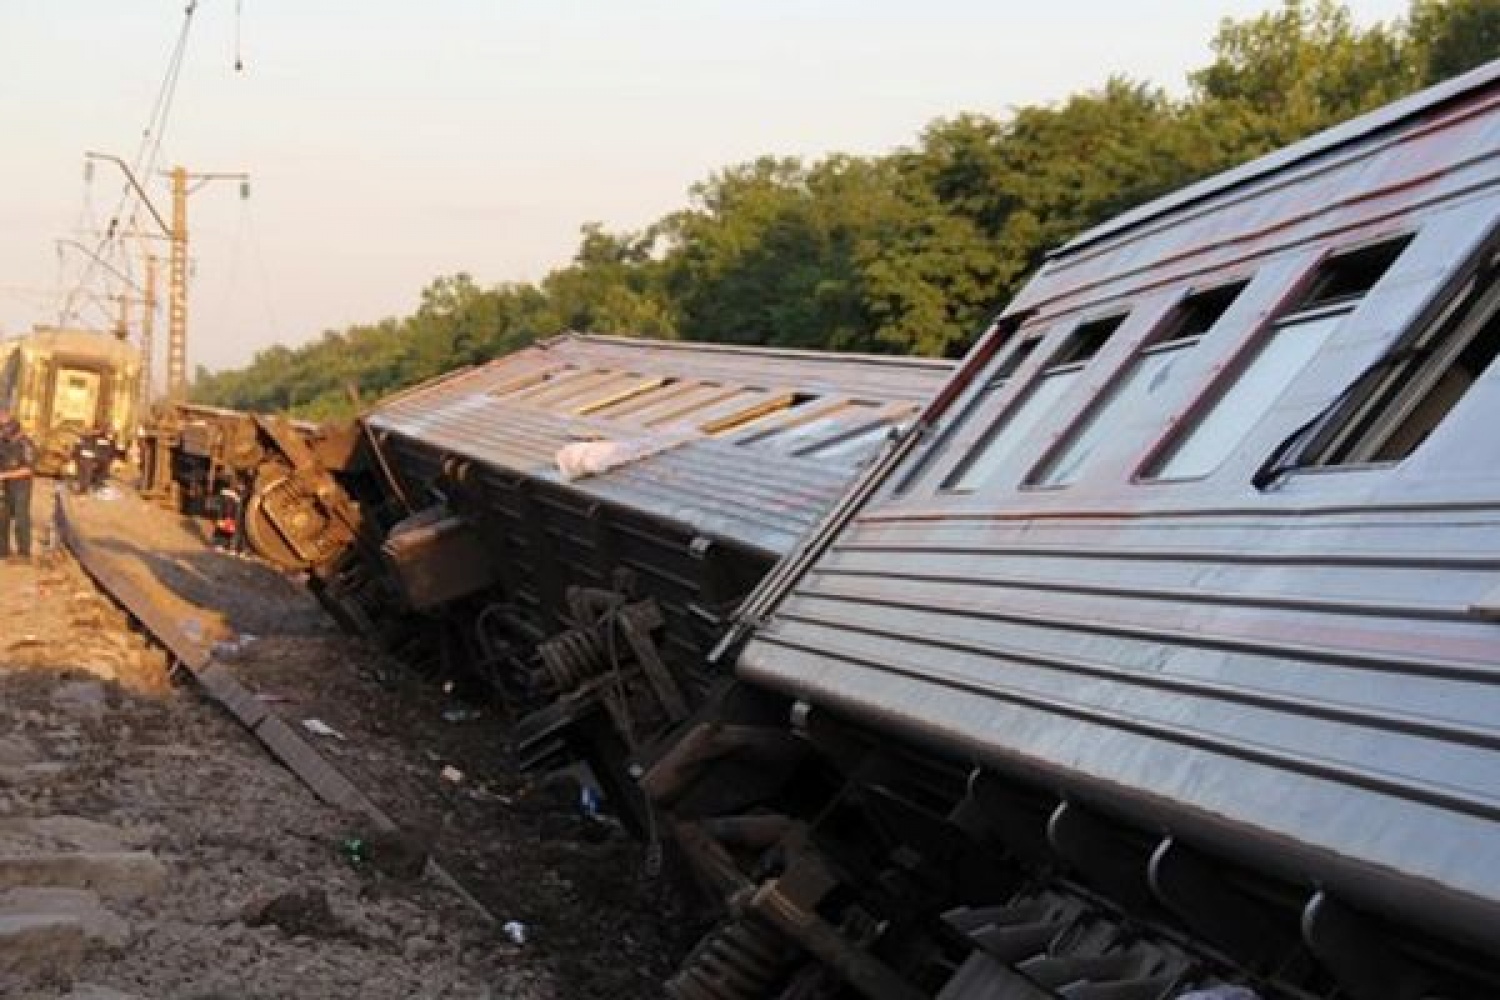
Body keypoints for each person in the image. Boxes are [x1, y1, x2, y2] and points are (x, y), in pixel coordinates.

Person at [0, 411, 37, 562]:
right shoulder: (3, 442)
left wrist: (3, 476)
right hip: (6, 486)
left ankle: (24, 552)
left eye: (3, 429)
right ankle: (3, 550)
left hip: (21, 487)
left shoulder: (26, 444)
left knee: (21, 518)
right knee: (2, 517)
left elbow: (28, 470)